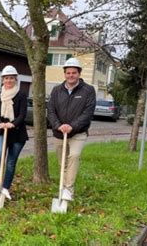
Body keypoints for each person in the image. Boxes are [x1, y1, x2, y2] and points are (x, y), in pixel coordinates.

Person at [47, 57, 96, 201]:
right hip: (59, 133)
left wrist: (72, 126)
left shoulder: (88, 90)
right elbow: (50, 110)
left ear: (79, 73)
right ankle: (63, 189)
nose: (71, 76)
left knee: (73, 156)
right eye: (68, 73)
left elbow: (88, 113)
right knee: (62, 162)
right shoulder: (56, 90)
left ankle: (68, 191)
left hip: (78, 133)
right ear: (64, 74)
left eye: (74, 73)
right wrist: (58, 125)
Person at [0, 65, 29, 200]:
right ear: (2, 80)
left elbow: (22, 115)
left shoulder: (21, 95)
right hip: (1, 130)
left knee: (11, 161)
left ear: (15, 79)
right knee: (0, 154)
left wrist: (13, 123)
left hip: (17, 133)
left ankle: (5, 188)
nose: (9, 80)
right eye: (6, 78)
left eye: (11, 78)